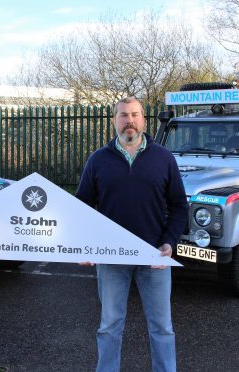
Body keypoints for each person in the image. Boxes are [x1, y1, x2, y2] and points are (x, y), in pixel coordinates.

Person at [76, 97, 188, 372]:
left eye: (135, 114)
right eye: (123, 115)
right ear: (114, 120)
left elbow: (179, 206)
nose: (130, 120)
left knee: (162, 328)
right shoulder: (98, 160)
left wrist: (169, 242)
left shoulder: (163, 158)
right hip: (112, 258)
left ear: (144, 120)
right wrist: (84, 246)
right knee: (109, 327)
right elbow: (80, 208)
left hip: (154, 257)